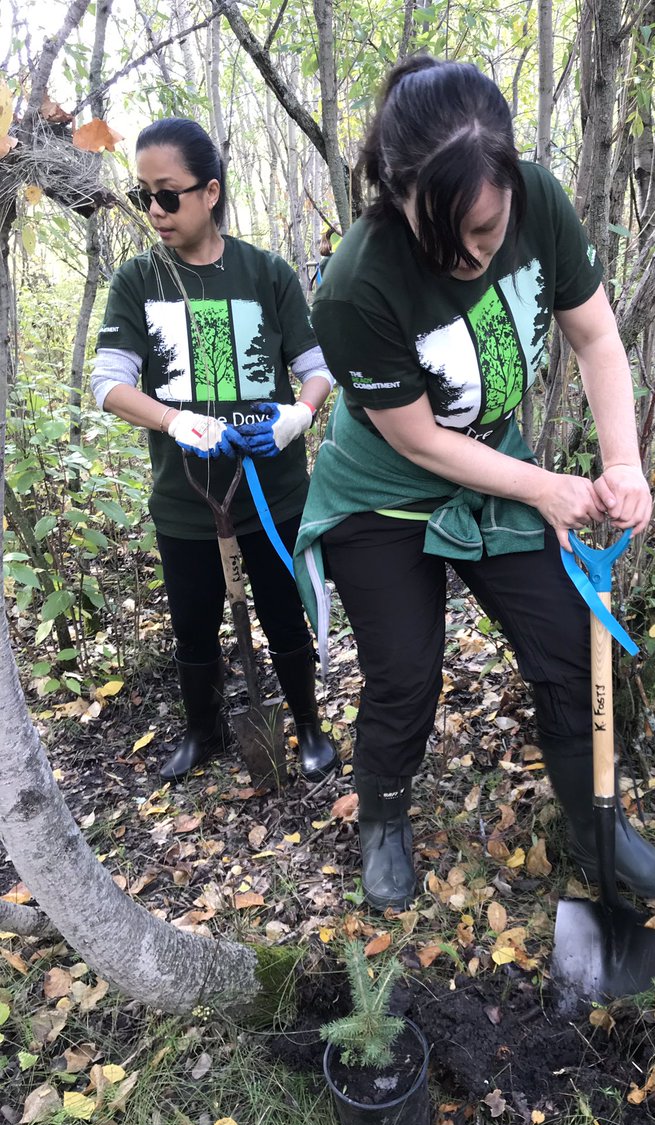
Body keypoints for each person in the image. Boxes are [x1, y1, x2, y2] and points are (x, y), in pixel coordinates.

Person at [295, 58, 655, 910]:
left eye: (486, 231)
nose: (474, 256)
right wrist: (546, 487)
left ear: (513, 183)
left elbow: (595, 339)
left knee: (564, 644)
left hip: (495, 467)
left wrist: (622, 463)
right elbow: (418, 440)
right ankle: (384, 816)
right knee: (406, 671)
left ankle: (600, 834)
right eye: (448, 239)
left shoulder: (540, 203)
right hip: (382, 490)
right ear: (399, 192)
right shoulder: (356, 285)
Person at [91, 117, 338, 783]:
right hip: (186, 499)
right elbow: (108, 384)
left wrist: (298, 414)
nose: (154, 211)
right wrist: (178, 423)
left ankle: (308, 725)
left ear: (210, 192)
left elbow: (318, 368)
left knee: (285, 616)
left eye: (168, 195)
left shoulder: (266, 273)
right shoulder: (140, 280)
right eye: (144, 194)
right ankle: (204, 731)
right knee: (193, 627)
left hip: (271, 491)